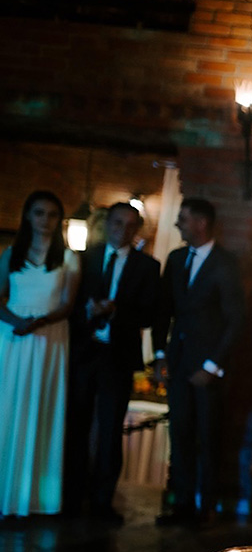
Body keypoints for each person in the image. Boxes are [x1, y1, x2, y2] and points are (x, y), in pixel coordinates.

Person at [65, 202, 161, 524]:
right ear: (107, 224)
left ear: (137, 229)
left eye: (131, 225)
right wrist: (88, 311)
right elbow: (67, 304)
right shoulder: (84, 257)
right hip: (83, 351)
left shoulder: (147, 266)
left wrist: (116, 310)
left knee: (110, 430)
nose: (123, 230)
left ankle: (102, 501)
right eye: (118, 222)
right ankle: (71, 497)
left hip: (117, 356)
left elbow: (150, 314)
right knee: (76, 426)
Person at [152, 197, 245, 525]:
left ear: (201, 223)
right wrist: (159, 355)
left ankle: (206, 507)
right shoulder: (177, 259)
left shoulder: (226, 263)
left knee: (208, 437)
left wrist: (212, 366)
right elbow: (163, 310)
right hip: (177, 362)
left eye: (184, 218)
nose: (178, 223)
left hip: (208, 368)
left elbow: (236, 319)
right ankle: (181, 505)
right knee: (179, 435)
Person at [0, 191, 81, 518]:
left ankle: (33, 497)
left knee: (40, 406)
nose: (44, 220)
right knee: (7, 407)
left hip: (49, 338)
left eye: (51, 214)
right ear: (27, 216)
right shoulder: (11, 254)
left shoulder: (69, 258)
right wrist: (16, 322)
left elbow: (67, 304)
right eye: (38, 213)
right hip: (12, 338)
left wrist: (39, 322)